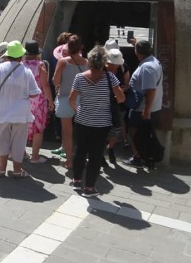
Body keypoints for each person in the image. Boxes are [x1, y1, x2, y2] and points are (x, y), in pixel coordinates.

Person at [68, 46, 125, 197]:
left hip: (82, 121)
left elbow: (71, 99)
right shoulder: (110, 78)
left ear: (90, 61)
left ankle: (76, 180)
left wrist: (79, 110)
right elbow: (121, 98)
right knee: (95, 155)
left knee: (80, 151)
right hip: (101, 124)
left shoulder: (80, 77)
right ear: (104, 62)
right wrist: (108, 99)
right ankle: (89, 188)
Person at [0, 41, 41, 178]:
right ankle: (17, 171)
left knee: (2, 140)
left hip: (1, 111)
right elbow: (35, 93)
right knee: (19, 141)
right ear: (21, 56)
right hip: (21, 112)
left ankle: (2, 169)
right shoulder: (26, 71)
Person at [123, 40, 163, 169]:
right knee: (146, 133)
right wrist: (136, 43)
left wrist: (146, 109)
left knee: (135, 132)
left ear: (137, 52)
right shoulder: (153, 61)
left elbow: (151, 89)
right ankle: (146, 157)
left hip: (142, 108)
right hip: (152, 106)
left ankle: (138, 157)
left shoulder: (147, 68)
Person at [51, 34, 88, 169]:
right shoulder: (87, 63)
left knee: (67, 133)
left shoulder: (63, 62)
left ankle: (69, 161)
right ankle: (81, 159)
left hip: (65, 99)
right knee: (81, 132)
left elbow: (55, 81)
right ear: (81, 48)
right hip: (81, 101)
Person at [23, 40, 54, 163]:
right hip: (38, 102)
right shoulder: (40, 65)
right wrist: (51, 102)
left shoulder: (21, 64)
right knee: (38, 129)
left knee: (22, 128)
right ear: (37, 53)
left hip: (24, 100)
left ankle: (22, 153)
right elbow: (45, 85)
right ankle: (35, 156)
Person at [104, 48, 130, 165]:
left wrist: (119, 92)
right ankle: (101, 154)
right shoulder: (101, 70)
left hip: (115, 105)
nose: (115, 67)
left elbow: (126, 86)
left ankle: (110, 148)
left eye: (116, 65)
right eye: (113, 65)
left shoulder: (123, 68)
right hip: (103, 104)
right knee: (103, 130)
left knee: (115, 129)